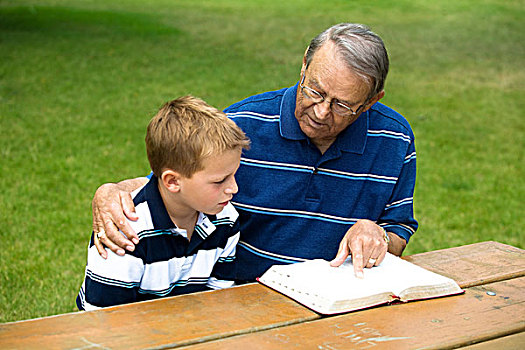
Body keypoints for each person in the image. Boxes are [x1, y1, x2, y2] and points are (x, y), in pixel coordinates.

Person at [91, 23, 418, 281]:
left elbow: (398, 227)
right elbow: (174, 188)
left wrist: (379, 235)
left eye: (343, 105)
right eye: (315, 91)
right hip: (246, 298)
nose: (320, 112)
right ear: (304, 64)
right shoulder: (242, 124)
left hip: (341, 299)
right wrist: (112, 191)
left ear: (373, 101)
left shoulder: (396, 138)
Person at [77, 96, 250, 310]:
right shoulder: (125, 232)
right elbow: (101, 320)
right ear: (173, 181)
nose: (234, 188)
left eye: (234, 175)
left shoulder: (226, 220)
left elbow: (218, 301)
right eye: (219, 180)